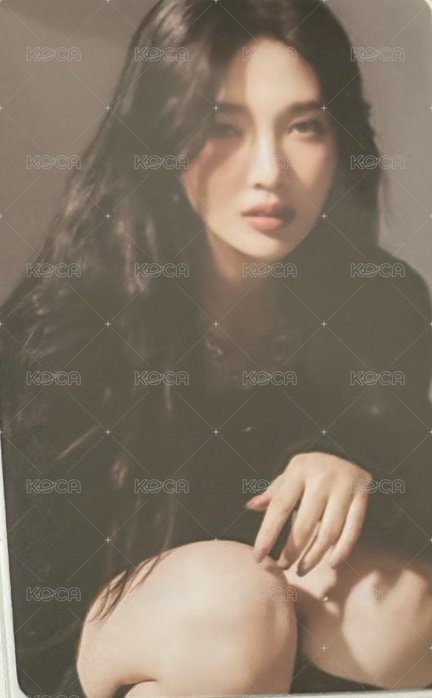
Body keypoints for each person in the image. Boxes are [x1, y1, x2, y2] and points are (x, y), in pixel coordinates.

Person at [1, 0, 431, 695]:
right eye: (223, 126)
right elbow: (37, 629)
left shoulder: (383, 300)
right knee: (234, 606)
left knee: (400, 613)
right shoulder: (64, 327)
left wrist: (358, 467)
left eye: (304, 126)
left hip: (280, 646)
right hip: (114, 652)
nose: (269, 170)